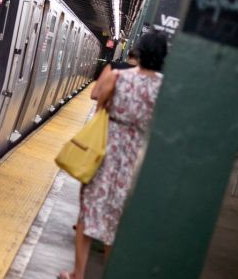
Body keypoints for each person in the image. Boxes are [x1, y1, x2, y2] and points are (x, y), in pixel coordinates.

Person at [60, 32, 168, 279]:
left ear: (139, 52)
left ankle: (78, 273)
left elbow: (100, 108)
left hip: (106, 150)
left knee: (88, 212)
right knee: (117, 221)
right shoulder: (165, 89)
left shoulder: (119, 77)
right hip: (137, 156)